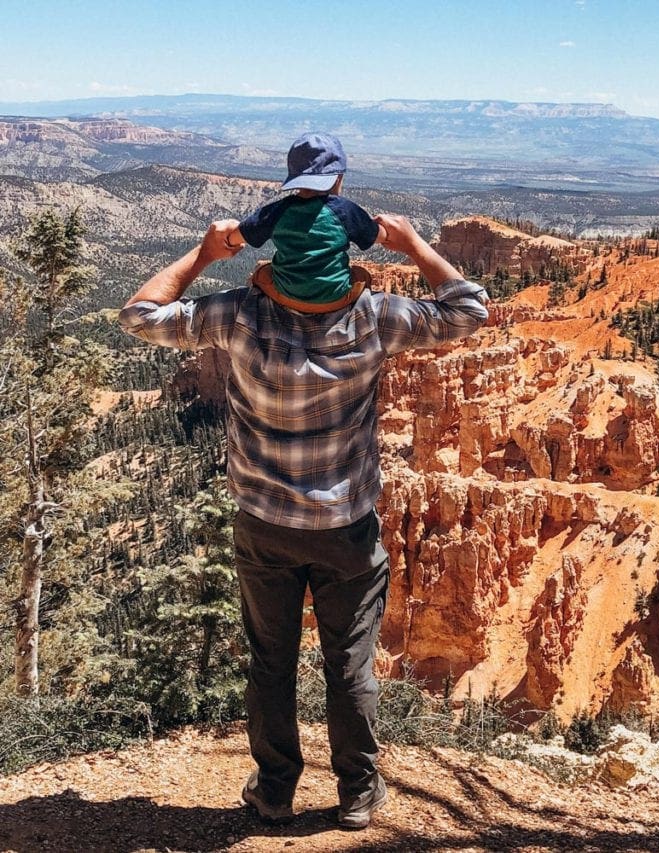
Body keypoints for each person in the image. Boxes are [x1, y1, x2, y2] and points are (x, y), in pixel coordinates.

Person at [118, 211, 490, 829]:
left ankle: (273, 791)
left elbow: (140, 315)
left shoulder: (237, 316)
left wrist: (206, 254)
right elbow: (469, 308)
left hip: (264, 524)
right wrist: (412, 243)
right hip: (346, 526)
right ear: (341, 267)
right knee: (350, 663)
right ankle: (357, 793)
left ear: (275, 268)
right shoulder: (376, 317)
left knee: (271, 660)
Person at [226, 131, 389, 311]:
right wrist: (383, 227)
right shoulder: (345, 211)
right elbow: (380, 237)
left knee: (262, 273)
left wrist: (229, 238)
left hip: (284, 295)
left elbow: (235, 237)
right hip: (336, 298)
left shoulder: (277, 210)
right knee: (362, 275)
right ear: (338, 178)